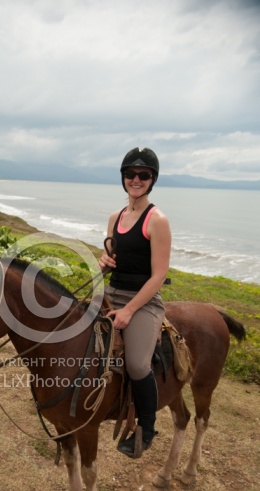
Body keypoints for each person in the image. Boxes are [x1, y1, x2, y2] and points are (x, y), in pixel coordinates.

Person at [98, 147, 172, 458]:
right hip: (112, 292)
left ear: (152, 179)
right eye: (130, 174)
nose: (136, 179)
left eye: (143, 175)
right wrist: (103, 262)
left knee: (138, 364)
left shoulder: (158, 220)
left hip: (143, 302)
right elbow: (115, 257)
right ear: (123, 178)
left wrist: (129, 310)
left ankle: (148, 427)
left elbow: (159, 275)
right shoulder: (115, 217)